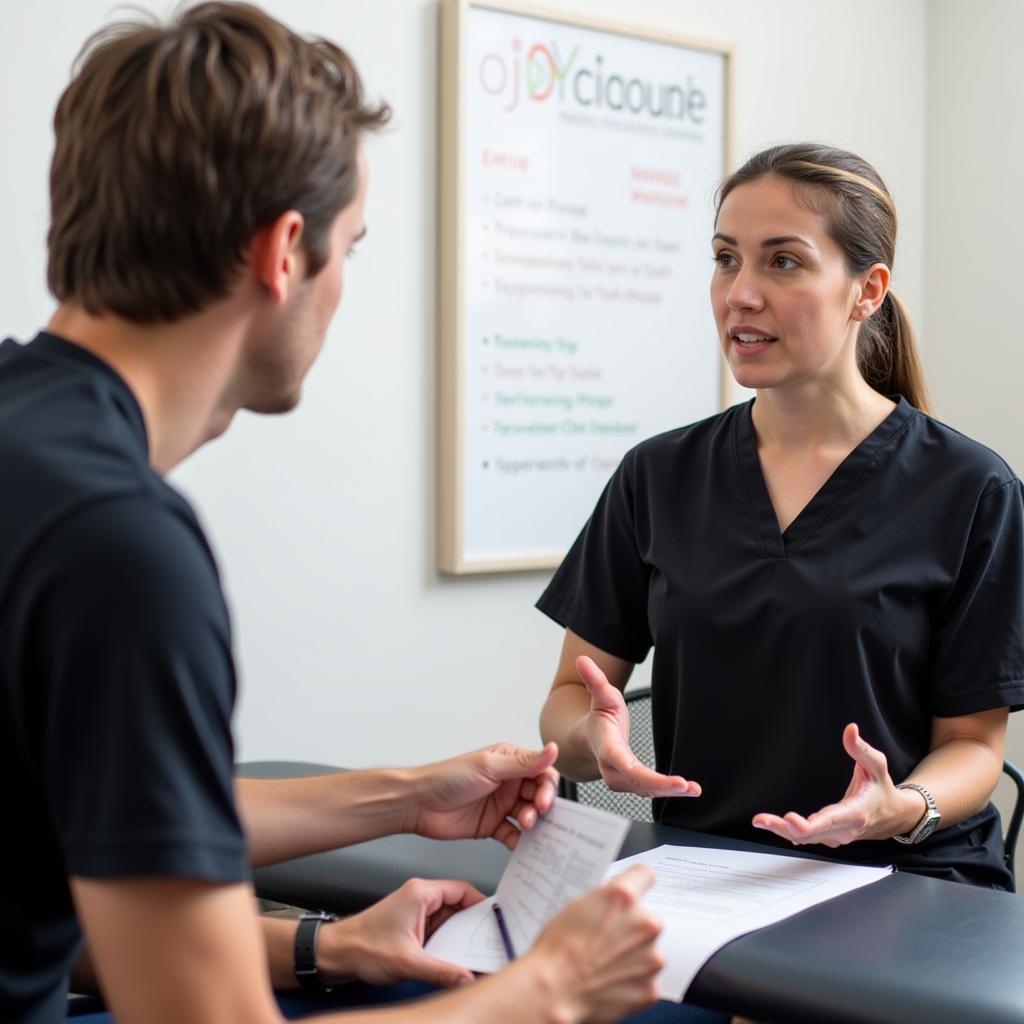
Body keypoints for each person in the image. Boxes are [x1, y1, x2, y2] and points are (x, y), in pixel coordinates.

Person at [0, 4, 668, 1022]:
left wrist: (400, 807)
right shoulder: (118, 549)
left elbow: (90, 832)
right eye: (350, 248)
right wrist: (553, 987)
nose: (342, 286)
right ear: (283, 252)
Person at [538, 142, 1024, 891]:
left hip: (903, 875)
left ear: (867, 291)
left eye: (783, 262)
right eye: (726, 257)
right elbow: (570, 699)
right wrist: (588, 741)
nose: (741, 293)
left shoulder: (971, 489)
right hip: (704, 876)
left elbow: (973, 747)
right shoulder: (658, 476)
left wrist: (901, 807)